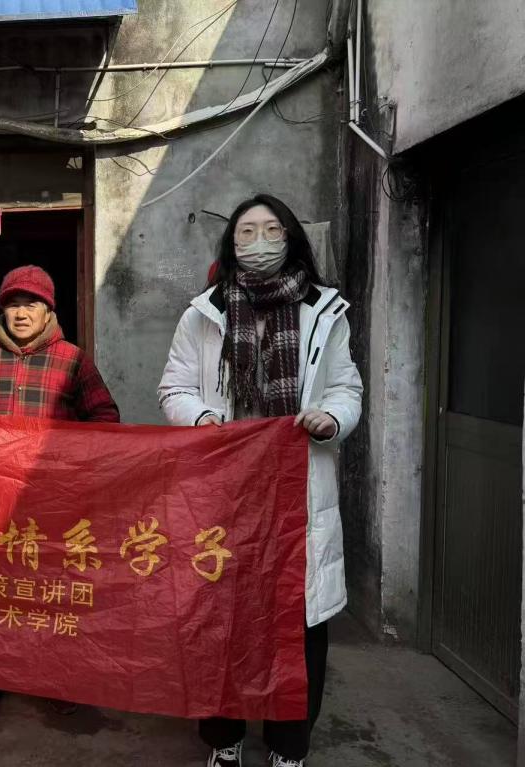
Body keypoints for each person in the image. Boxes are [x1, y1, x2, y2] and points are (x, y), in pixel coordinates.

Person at [157, 194, 363, 767]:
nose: (259, 241)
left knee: (295, 625)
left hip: (297, 491)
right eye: (246, 232)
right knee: (224, 620)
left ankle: (288, 746)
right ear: (231, 244)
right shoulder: (204, 313)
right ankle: (223, 740)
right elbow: (175, 386)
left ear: (291, 238)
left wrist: (332, 418)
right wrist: (202, 419)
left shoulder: (325, 311)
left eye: (272, 230)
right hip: (227, 489)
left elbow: (346, 387)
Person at [0, 264, 120, 723]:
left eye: (31, 304)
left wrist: (68, 462)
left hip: (52, 505)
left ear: (48, 311)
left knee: (51, 595)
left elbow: (106, 419)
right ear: (2, 311)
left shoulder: (73, 361)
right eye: (13, 305)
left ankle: (53, 681)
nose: (21, 313)